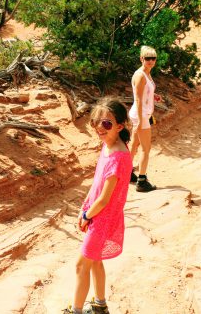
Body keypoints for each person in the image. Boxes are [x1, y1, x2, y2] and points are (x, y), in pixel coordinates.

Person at [63, 98, 133, 314]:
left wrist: (86, 215)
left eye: (107, 124)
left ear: (120, 126)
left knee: (81, 265)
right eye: (96, 123)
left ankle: (76, 311)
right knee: (95, 262)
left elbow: (104, 198)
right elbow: (96, 185)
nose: (99, 128)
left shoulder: (119, 157)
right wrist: (85, 206)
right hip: (98, 216)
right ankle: (100, 306)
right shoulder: (108, 147)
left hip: (102, 219)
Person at [129, 45, 161, 192]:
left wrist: (153, 96)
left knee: (134, 144)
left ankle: (127, 173)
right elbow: (138, 99)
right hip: (140, 115)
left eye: (153, 58)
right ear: (141, 58)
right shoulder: (140, 75)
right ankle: (141, 181)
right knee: (146, 149)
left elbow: (144, 92)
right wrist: (142, 121)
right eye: (147, 58)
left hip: (141, 114)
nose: (150, 61)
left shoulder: (147, 73)